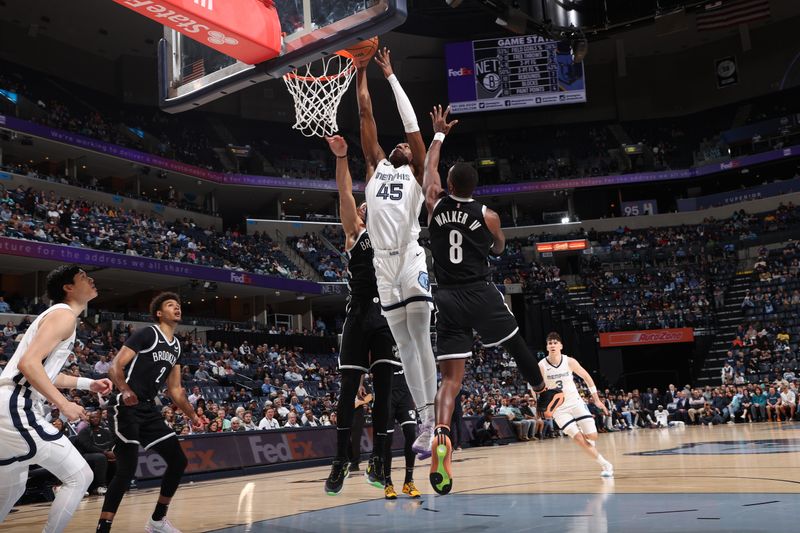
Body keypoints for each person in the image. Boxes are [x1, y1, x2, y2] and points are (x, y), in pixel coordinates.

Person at [421, 105, 557, 495]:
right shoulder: (488, 215)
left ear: (448, 183)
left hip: (444, 297)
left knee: (450, 380)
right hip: (479, 291)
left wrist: (439, 135)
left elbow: (428, 171)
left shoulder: (434, 202)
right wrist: (488, 242)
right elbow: (498, 249)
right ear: (474, 188)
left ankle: (442, 435)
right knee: (515, 341)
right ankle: (542, 390)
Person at [356, 48, 437, 455]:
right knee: (403, 348)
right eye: (399, 147)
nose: (402, 147)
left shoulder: (418, 173)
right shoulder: (376, 166)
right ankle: (425, 419)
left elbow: (413, 129)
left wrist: (391, 76)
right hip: (381, 267)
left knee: (420, 339)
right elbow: (366, 115)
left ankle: (433, 420)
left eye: (405, 148)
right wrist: (361, 71)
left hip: (409, 256)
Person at [0, 265, 112, 533]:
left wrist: (88, 383)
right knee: (80, 476)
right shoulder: (64, 315)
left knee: (12, 487)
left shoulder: (58, 317)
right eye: (84, 277)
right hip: (17, 404)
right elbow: (29, 364)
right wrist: (63, 404)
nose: (92, 279)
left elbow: (44, 371)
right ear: (68, 287)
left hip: (6, 403)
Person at [323, 135, 400, 495]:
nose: (366, 208)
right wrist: (342, 158)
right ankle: (340, 460)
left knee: (384, 394)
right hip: (358, 314)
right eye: (364, 205)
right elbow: (344, 193)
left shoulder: (393, 235)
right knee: (348, 389)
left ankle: (381, 459)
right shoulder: (355, 232)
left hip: (386, 315)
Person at [97, 293, 202, 533]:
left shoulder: (176, 346)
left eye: (179, 305)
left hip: (148, 409)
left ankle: (157, 521)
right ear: (158, 313)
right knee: (127, 469)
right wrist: (124, 390)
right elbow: (116, 365)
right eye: (170, 305)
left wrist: (193, 415)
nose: (177, 308)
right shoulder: (147, 333)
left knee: (178, 460)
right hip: (125, 406)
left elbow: (175, 390)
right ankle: (103, 528)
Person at [539, 332, 614, 478]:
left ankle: (587, 438)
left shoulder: (569, 361)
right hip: (558, 409)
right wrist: (541, 405)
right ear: (547, 347)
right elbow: (536, 387)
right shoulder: (541, 365)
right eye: (550, 343)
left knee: (592, 436)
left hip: (575, 402)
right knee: (579, 439)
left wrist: (597, 399)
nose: (552, 345)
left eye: (555, 342)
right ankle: (605, 464)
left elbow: (586, 377)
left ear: (561, 346)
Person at [383, 368, 422, 500]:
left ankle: (409, 482)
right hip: (386, 395)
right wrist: (360, 385)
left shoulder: (407, 347)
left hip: (405, 394)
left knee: (411, 434)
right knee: (386, 440)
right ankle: (388, 483)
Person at [75, 410, 116, 496]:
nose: (95, 419)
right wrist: (105, 452)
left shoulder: (105, 431)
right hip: (84, 455)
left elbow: (111, 443)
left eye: (97, 417)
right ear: (89, 419)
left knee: (118, 456)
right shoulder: (84, 431)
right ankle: (100, 486)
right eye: (92, 417)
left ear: (100, 418)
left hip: (102, 453)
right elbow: (88, 447)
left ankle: (118, 484)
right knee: (100, 457)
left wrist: (112, 452)